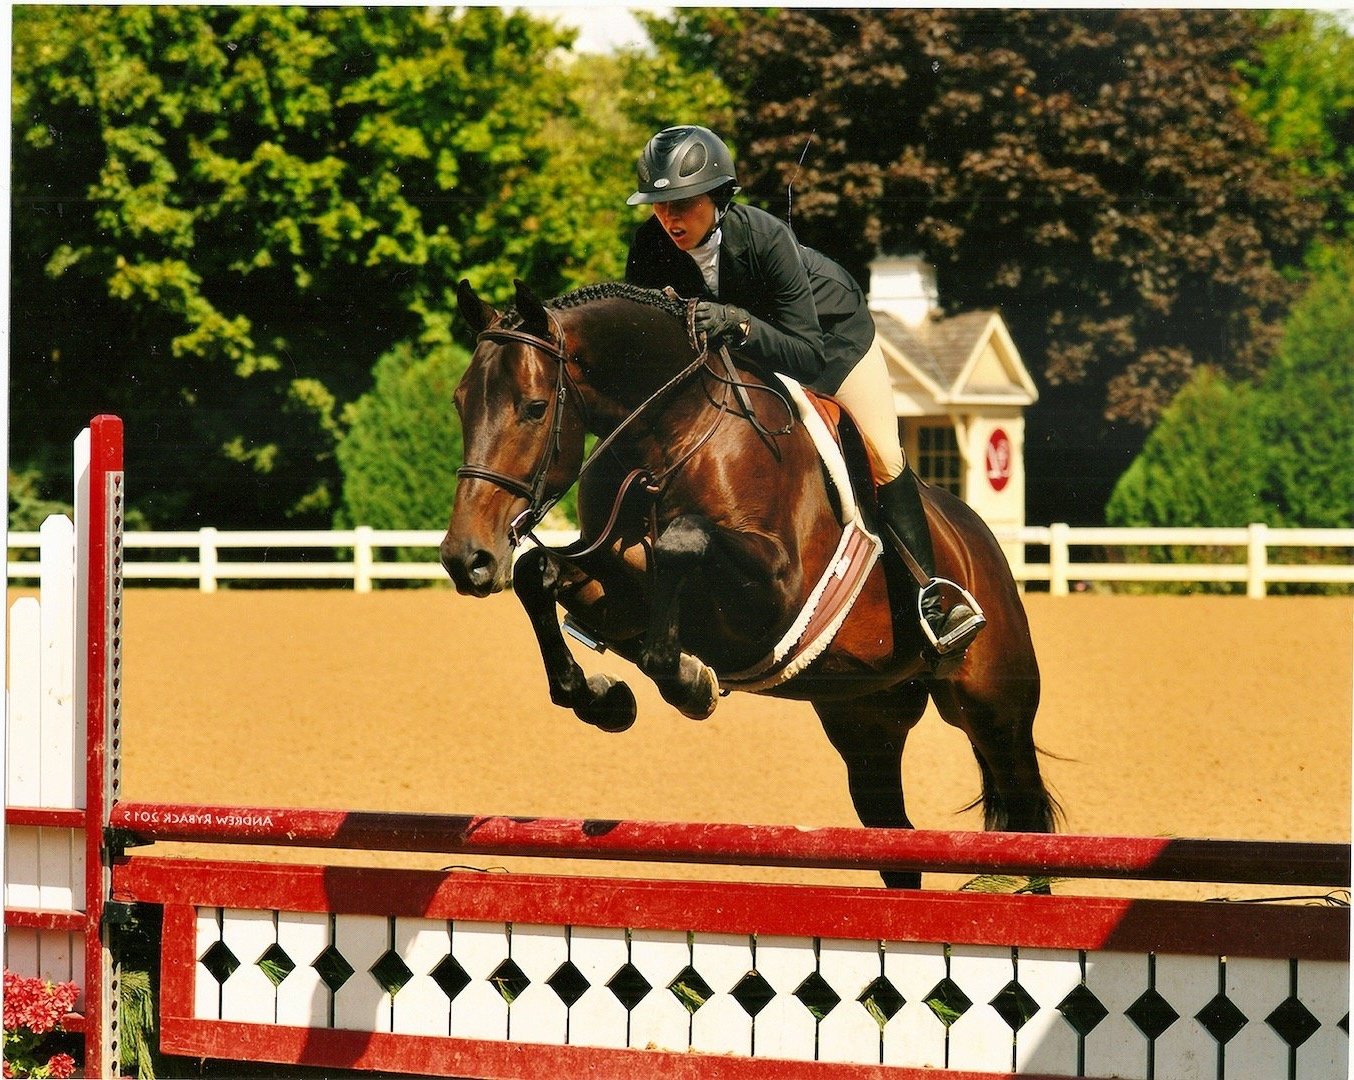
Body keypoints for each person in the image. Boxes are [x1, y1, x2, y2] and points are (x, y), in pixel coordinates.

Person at [624, 124, 985, 666]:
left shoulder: (765, 239)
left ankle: (930, 598)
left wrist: (740, 323)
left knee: (883, 454)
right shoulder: (651, 245)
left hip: (829, 340)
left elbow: (805, 355)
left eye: (684, 203)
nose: (669, 219)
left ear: (718, 198)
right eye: (659, 205)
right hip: (738, 351)